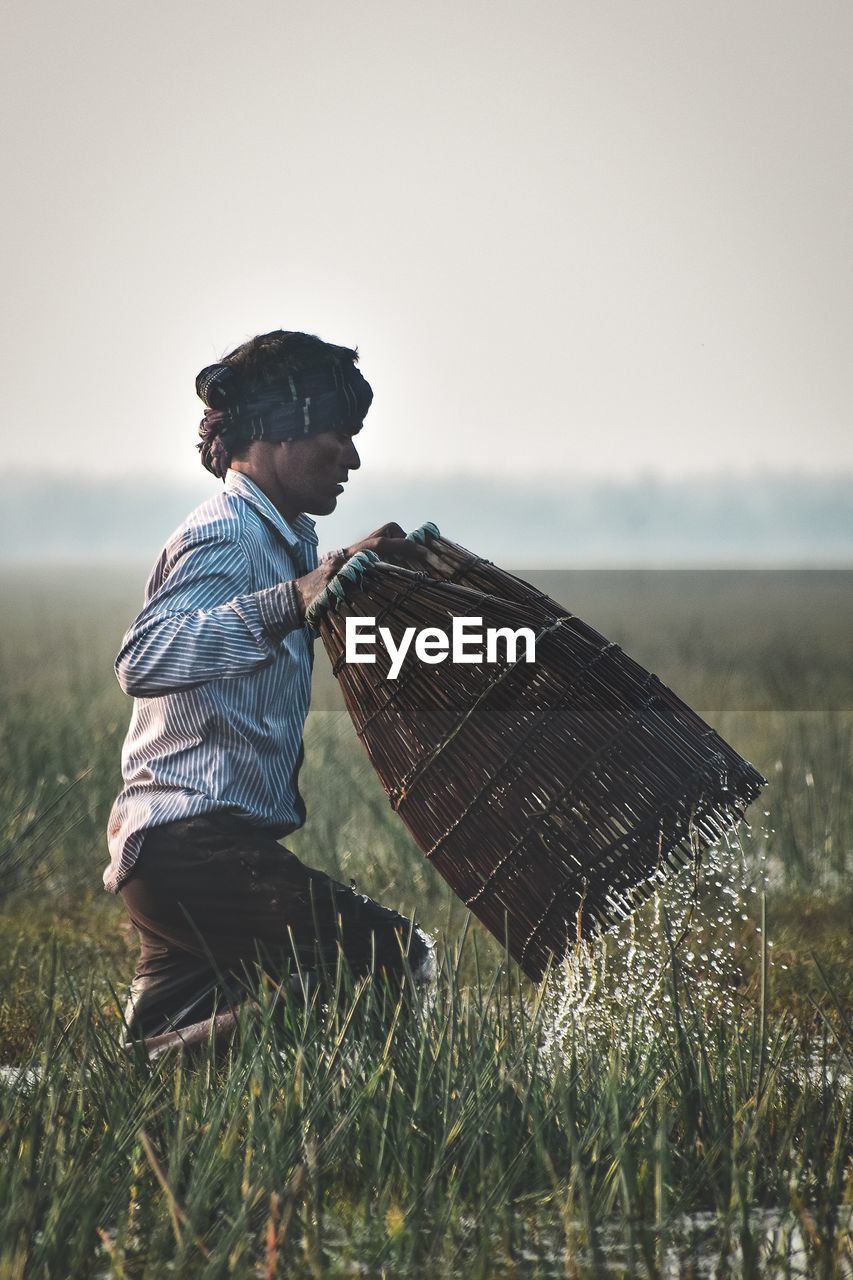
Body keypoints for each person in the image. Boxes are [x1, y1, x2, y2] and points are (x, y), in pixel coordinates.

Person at [106, 329, 435, 1040]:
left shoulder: (285, 541)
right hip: (192, 847)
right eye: (338, 435)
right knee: (389, 962)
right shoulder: (228, 536)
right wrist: (292, 600)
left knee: (172, 1063)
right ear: (281, 433)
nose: (351, 457)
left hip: (185, 852)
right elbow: (146, 657)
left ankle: (143, 1068)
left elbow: (293, 590)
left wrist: (347, 566)